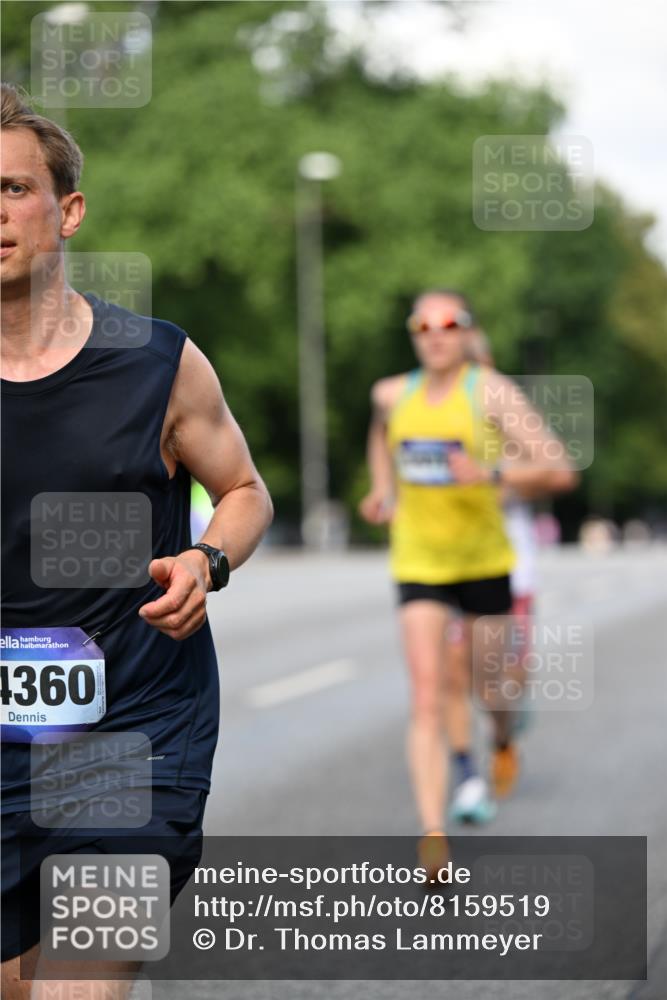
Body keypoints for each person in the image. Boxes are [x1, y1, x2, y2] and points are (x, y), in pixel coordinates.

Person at [0, 83, 273, 999]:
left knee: (77, 982)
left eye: (12, 189)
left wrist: (208, 558)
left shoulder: (154, 363)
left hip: (130, 726)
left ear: (66, 209)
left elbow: (241, 490)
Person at [359, 289, 577, 875]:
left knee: (491, 688)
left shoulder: (491, 393)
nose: (436, 333)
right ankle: (433, 835)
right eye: (423, 324)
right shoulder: (391, 394)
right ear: (413, 334)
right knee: (428, 695)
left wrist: (492, 472)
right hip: (420, 563)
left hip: (484, 561)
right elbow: (381, 435)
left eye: (449, 324)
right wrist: (384, 490)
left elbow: (558, 467)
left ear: (465, 333)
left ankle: (503, 738)